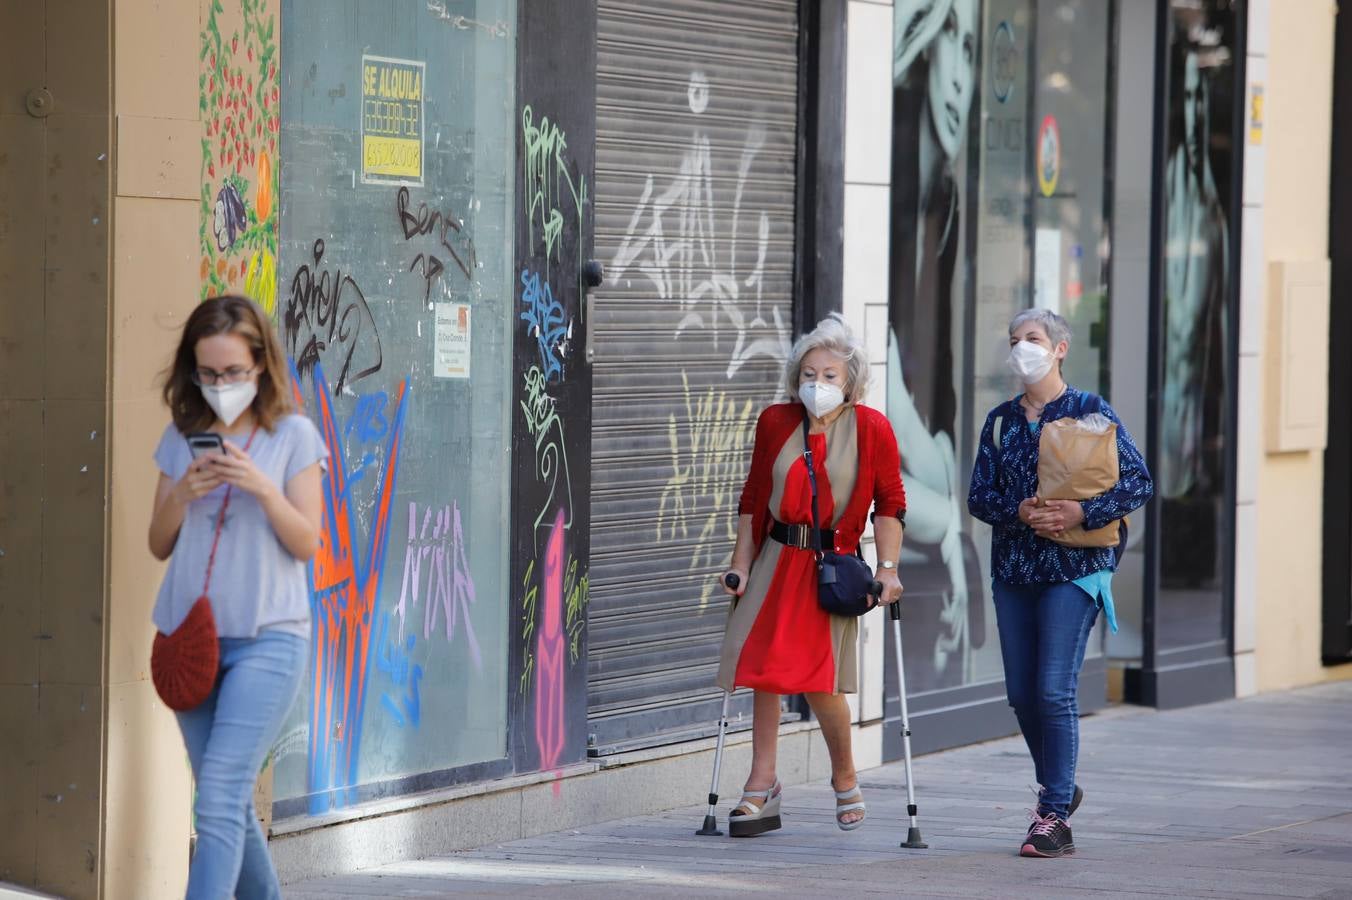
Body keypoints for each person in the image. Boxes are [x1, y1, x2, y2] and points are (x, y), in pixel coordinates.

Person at [148, 295, 326, 898]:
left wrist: (263, 489)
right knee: (223, 800)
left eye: (233, 372)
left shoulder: (292, 437)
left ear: (261, 365)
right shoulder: (182, 438)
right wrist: (182, 494)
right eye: (208, 372)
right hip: (189, 640)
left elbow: (307, 542)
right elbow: (158, 542)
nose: (220, 384)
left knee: (221, 795)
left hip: (270, 639)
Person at [967, 309, 1153, 858]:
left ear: (1060, 348)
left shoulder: (1091, 411)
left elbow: (1139, 481)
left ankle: (1053, 816)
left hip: (1075, 572)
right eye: (1015, 339)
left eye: (1034, 338)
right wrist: (1017, 511)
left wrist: (1082, 511)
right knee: (1022, 695)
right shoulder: (1000, 421)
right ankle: (1061, 784)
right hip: (1014, 572)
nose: (1022, 347)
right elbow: (980, 497)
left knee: (1053, 690)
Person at [716, 314, 907, 836]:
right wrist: (739, 563)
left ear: (850, 381)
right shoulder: (776, 421)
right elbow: (755, 499)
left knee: (821, 682)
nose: (815, 384)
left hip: (830, 569)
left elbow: (890, 503)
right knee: (763, 671)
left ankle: (844, 775)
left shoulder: (872, 428)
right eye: (807, 373)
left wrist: (888, 570)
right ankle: (763, 783)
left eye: (828, 375)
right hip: (775, 562)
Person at [887, 0, 982, 684]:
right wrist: (948, 519)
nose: (959, 81)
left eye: (973, 53)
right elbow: (886, 411)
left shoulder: (945, 207)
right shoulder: (887, 181)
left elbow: (930, 438)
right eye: (950, 41)